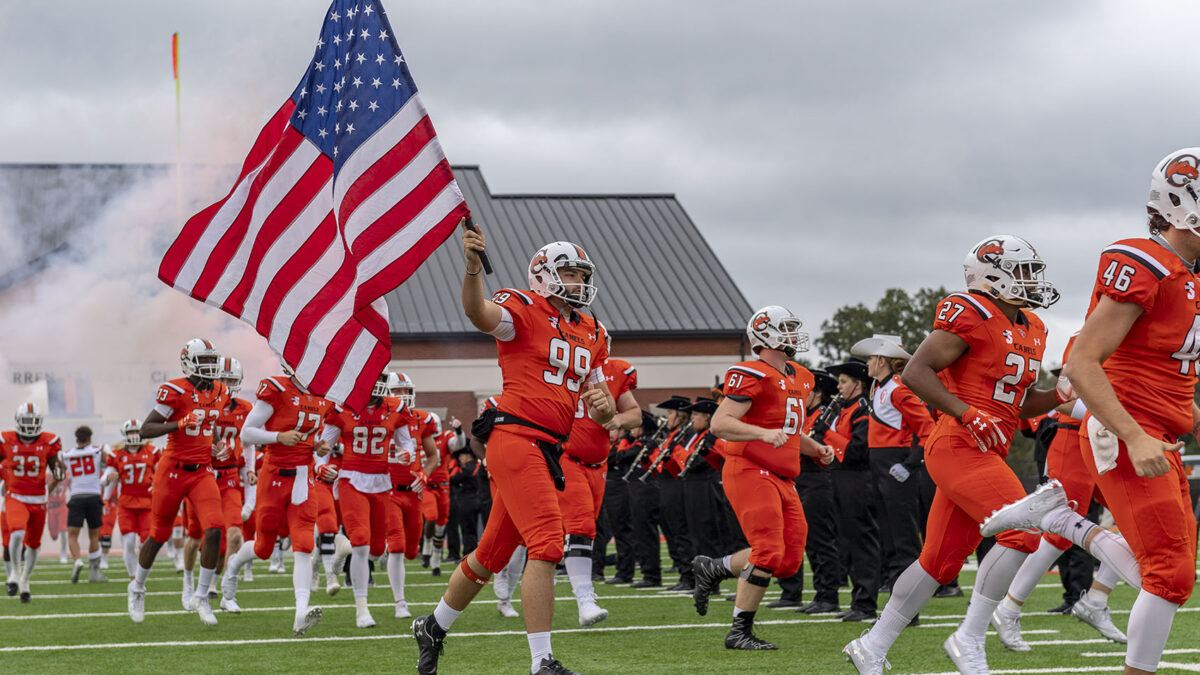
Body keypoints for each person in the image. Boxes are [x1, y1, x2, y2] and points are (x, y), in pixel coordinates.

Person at [984, 150, 1200, 675]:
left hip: (1157, 430)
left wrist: (1180, 413)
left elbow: (1169, 363)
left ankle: (1061, 520)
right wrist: (1136, 433)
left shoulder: (1189, 275)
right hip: (1125, 428)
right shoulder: (1147, 261)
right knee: (1168, 573)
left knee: (1172, 571)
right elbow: (1081, 362)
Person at [844, 235, 1064, 674]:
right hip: (957, 444)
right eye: (1022, 271)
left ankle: (872, 644)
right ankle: (969, 637)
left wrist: (1058, 393)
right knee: (1022, 532)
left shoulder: (1032, 328)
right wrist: (965, 413)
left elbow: (1017, 404)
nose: (1030, 281)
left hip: (985, 449)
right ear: (992, 275)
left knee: (938, 563)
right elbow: (916, 371)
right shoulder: (970, 310)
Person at [412, 229, 615, 675]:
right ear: (543, 274)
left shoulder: (593, 331)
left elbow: (603, 412)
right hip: (516, 436)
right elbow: (478, 313)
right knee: (546, 544)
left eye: (582, 275)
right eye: (569, 272)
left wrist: (605, 407)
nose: (578, 282)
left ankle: (433, 626)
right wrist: (471, 267)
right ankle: (542, 661)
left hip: (548, 447)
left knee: (490, 555)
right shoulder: (524, 308)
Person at [691, 305, 833, 650]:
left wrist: (817, 448)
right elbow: (720, 423)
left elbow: (788, 432)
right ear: (765, 333)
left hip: (784, 475)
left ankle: (716, 567)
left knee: (787, 562)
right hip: (750, 469)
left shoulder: (801, 375)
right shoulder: (750, 372)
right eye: (784, 328)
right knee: (767, 551)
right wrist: (761, 434)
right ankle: (739, 631)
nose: (792, 334)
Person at [991, 339, 1127, 651]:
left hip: (1109, 443)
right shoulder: (1089, 337)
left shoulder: (1139, 339)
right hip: (1076, 440)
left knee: (1139, 521)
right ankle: (1008, 608)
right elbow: (1063, 401)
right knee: (1058, 533)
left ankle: (1096, 598)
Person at [222, 361, 333, 636]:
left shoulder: (323, 396)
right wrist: (277, 436)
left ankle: (300, 613)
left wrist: (316, 445)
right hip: (273, 476)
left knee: (304, 544)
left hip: (303, 476)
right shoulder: (278, 389)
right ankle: (233, 567)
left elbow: (309, 436)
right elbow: (247, 432)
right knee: (263, 548)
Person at [129, 338, 229, 626]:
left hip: (201, 471)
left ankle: (201, 596)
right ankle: (137, 587)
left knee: (214, 530)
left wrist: (217, 444)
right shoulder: (175, 390)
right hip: (172, 469)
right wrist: (180, 423)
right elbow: (146, 429)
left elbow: (211, 423)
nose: (211, 366)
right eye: (205, 361)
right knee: (159, 535)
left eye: (213, 360)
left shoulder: (221, 390)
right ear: (189, 363)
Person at [557, 334, 641, 626]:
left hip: (599, 464)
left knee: (584, 529)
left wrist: (617, 421)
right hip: (567, 458)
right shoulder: (561, 365)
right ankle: (585, 600)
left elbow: (635, 414)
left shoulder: (615, 371)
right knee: (581, 526)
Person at [318, 370, 413, 628]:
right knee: (361, 541)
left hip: (381, 482)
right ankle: (362, 609)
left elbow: (408, 444)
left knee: (377, 549)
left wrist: (406, 454)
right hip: (351, 480)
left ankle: (341, 552)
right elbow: (323, 448)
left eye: (379, 378)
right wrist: (320, 467)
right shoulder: (341, 408)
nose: (375, 384)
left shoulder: (395, 408)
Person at [850, 334, 933, 591]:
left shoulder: (898, 389)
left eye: (871, 358)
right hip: (879, 466)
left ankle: (910, 603)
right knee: (887, 534)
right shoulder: (881, 388)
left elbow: (928, 428)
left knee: (904, 538)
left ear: (883, 361)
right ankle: (895, 590)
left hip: (895, 467)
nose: (867, 364)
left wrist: (910, 463)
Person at [770, 370, 843, 611]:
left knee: (819, 539)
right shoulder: (804, 416)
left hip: (818, 478)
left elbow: (831, 448)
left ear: (818, 393)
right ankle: (791, 592)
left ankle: (827, 595)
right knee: (794, 537)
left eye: (807, 390)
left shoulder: (826, 415)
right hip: (798, 477)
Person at [815, 359, 879, 620]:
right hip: (840, 479)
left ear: (857, 384)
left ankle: (865, 602)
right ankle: (857, 600)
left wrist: (826, 435)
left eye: (843, 382)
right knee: (846, 541)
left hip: (857, 480)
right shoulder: (843, 408)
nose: (838, 387)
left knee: (861, 541)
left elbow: (856, 451)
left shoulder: (862, 409)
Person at [383, 370, 439, 619]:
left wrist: (425, 474)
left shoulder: (422, 419)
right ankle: (400, 602)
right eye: (397, 391)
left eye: (406, 391)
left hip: (413, 493)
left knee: (411, 551)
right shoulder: (381, 416)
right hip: (388, 490)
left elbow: (433, 455)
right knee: (395, 545)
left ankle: (350, 549)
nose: (403, 396)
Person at [0, 403, 64, 602]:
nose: (29, 426)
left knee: (34, 545)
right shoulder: (6, 440)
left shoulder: (48, 441)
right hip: (15, 495)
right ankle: (13, 575)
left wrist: (52, 482)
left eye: (33, 422)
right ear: (18, 421)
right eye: (26, 421)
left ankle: (25, 580)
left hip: (38, 499)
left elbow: (58, 472)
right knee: (17, 532)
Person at [212, 356, 253, 607]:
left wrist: (248, 469)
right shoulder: (206, 405)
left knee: (235, 534)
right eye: (223, 379)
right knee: (212, 538)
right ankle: (205, 582)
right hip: (205, 475)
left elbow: (247, 443)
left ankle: (228, 590)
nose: (227, 384)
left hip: (229, 476)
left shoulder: (245, 408)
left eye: (230, 380)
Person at [103, 419, 158, 579]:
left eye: (136, 432)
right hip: (126, 504)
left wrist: (157, 483)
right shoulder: (117, 454)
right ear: (125, 434)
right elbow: (105, 479)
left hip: (147, 503)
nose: (134, 435)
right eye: (130, 432)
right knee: (128, 542)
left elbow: (162, 472)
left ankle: (142, 569)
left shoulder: (152, 452)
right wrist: (107, 480)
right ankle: (133, 575)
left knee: (146, 542)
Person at [62, 426, 109, 584]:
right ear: (90, 437)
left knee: (72, 535)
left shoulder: (67, 454)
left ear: (76, 438)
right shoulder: (97, 451)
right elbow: (110, 464)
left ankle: (77, 561)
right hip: (94, 495)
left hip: (76, 496)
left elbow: (59, 474)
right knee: (94, 535)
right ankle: (94, 573)